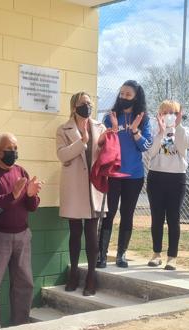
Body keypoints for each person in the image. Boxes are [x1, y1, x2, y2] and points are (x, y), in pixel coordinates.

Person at [0, 133, 41, 329]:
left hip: (22, 235)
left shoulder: (21, 171)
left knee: (24, 283)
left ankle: (20, 326)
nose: (13, 153)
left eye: (15, 149)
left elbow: (32, 206)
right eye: (8, 150)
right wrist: (12, 195)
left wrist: (30, 195)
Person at [56, 91, 108, 296]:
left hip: (94, 186)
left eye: (89, 103)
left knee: (92, 234)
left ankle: (91, 277)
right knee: (75, 232)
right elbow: (62, 155)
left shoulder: (99, 127)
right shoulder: (63, 129)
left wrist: (110, 138)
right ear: (73, 106)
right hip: (74, 186)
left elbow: (105, 154)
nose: (87, 106)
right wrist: (82, 141)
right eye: (82, 103)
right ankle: (74, 274)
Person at [97, 80, 152, 268]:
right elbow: (101, 144)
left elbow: (146, 145)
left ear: (136, 97)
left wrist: (135, 130)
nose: (123, 97)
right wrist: (112, 129)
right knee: (108, 214)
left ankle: (121, 254)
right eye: (121, 94)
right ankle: (101, 255)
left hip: (134, 176)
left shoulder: (143, 119)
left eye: (128, 95)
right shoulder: (110, 117)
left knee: (127, 214)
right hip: (113, 174)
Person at [146, 100, 189, 271]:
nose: (169, 115)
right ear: (160, 114)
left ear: (179, 114)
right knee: (157, 218)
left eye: (173, 112)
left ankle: (172, 257)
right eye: (165, 112)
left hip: (177, 178)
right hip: (156, 177)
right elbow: (150, 153)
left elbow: (183, 148)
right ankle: (156, 254)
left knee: (173, 218)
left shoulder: (185, 131)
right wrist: (160, 132)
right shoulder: (154, 131)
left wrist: (177, 128)